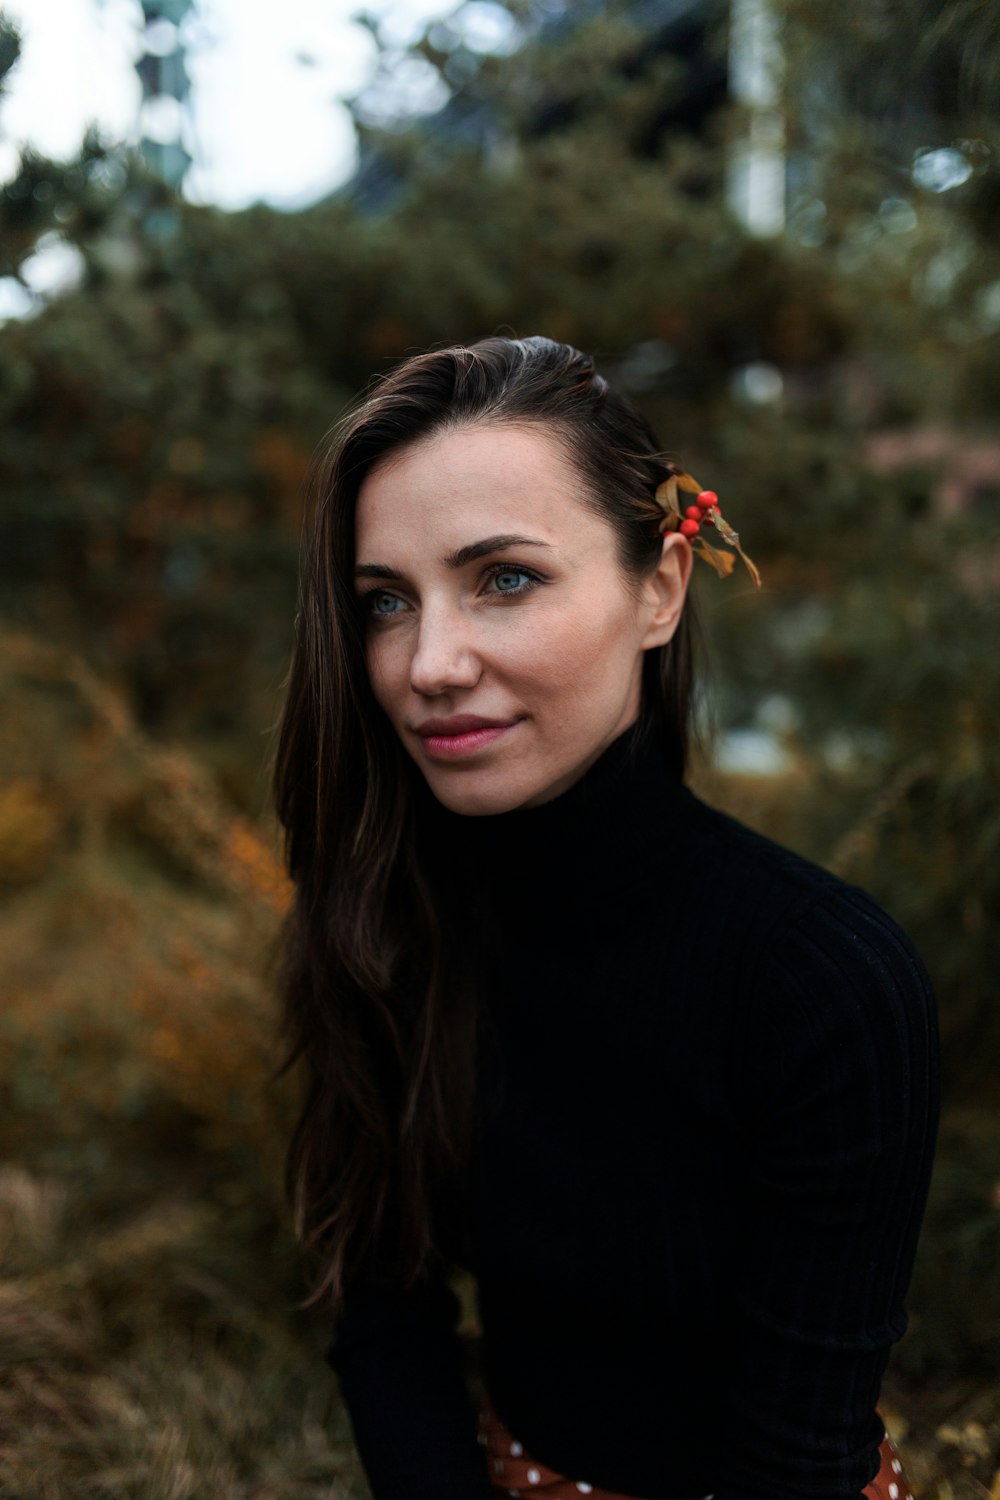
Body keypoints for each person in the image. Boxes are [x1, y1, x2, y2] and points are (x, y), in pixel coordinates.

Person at [272, 335, 940, 1500]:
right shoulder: (390, 917)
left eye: (505, 579)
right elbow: (384, 1318)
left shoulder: (819, 982)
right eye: (386, 601)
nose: (427, 664)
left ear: (660, 590)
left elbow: (798, 1460)